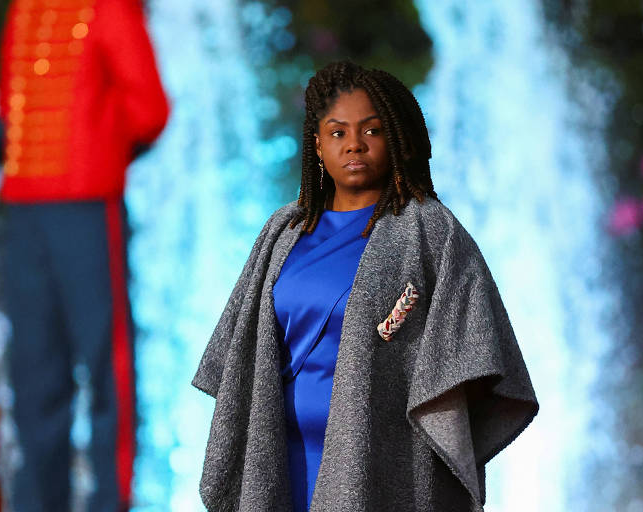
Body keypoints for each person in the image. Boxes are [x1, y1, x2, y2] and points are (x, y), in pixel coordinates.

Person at [192, 61, 538, 512]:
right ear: (318, 144)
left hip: (381, 464)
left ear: (394, 138)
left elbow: (481, 357)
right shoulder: (283, 231)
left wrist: (405, 387)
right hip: (279, 459)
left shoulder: (429, 231)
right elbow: (239, 356)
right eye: (338, 133)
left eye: (371, 131)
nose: (354, 144)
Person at [0, 0, 169, 510]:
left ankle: (111, 501)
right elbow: (20, 116)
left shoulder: (109, 8)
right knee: (34, 374)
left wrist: (94, 156)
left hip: (86, 211)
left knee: (107, 368)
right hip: (24, 217)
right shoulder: (26, 10)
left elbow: (149, 111)